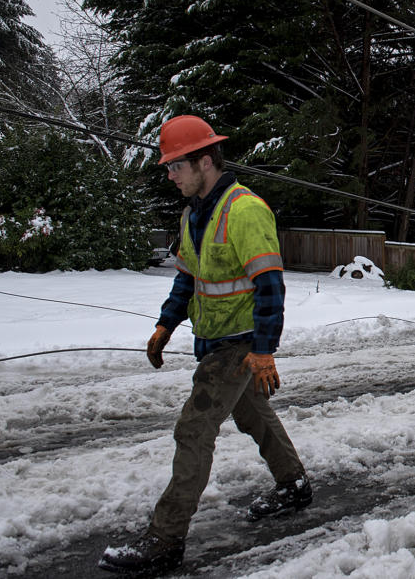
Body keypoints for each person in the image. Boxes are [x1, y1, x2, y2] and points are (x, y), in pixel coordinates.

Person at [99, 115, 311, 575]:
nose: (170, 175)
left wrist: (264, 348)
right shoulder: (195, 212)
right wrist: (165, 325)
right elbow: (189, 277)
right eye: (169, 167)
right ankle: (293, 484)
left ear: (206, 160)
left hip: (238, 345)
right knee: (253, 413)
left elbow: (270, 284)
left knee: (194, 429)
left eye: (176, 165)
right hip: (213, 338)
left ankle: (165, 539)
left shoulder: (245, 210)